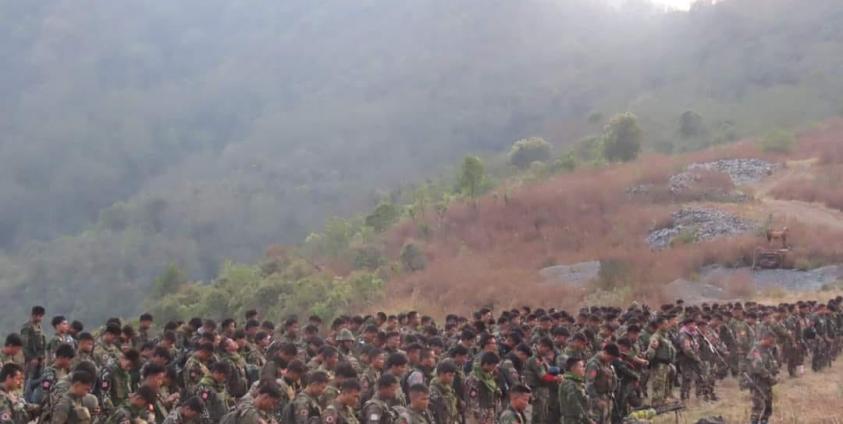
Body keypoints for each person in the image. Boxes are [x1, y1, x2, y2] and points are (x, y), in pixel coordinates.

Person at [746, 331, 778, 424]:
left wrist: (776, 372)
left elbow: (772, 362)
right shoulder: (756, 350)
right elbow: (758, 368)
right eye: (771, 341)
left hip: (767, 382)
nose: (772, 344)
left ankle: (764, 421)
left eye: (773, 342)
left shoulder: (767, 349)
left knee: (768, 405)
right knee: (758, 406)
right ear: (765, 339)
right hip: (758, 382)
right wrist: (770, 377)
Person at [584, 344, 619, 424]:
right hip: (597, 399)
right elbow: (589, 383)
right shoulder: (594, 364)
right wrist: (596, 399)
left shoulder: (606, 363)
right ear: (605, 352)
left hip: (607, 397)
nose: (610, 360)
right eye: (610, 358)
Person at [464, 352, 501, 424]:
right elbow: (472, 399)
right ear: (486, 364)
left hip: (489, 410)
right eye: (493, 366)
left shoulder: (488, 375)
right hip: (478, 413)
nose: (494, 368)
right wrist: (478, 414)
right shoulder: (474, 377)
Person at [559, 358, 592, 424]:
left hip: (580, 419)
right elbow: (574, 404)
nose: (584, 369)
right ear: (573, 368)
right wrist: (588, 420)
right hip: (572, 420)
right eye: (581, 367)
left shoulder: (577, 382)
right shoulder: (568, 383)